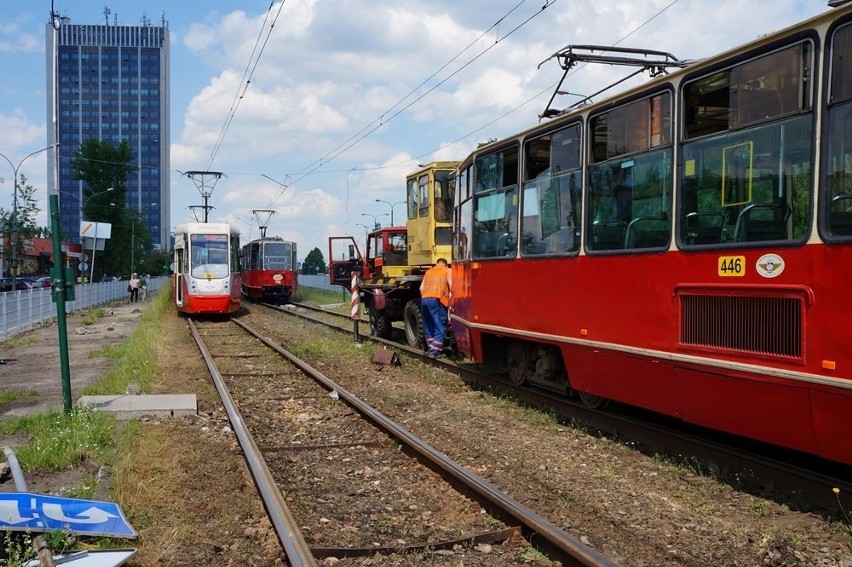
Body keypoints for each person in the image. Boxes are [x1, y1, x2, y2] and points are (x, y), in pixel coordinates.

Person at [419, 258, 452, 358]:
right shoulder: (448, 270)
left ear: (436, 264)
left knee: (428, 324)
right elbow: (452, 286)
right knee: (440, 324)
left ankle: (431, 348)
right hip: (437, 299)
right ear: (446, 265)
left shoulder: (429, 271)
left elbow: (421, 288)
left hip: (424, 299)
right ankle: (435, 351)